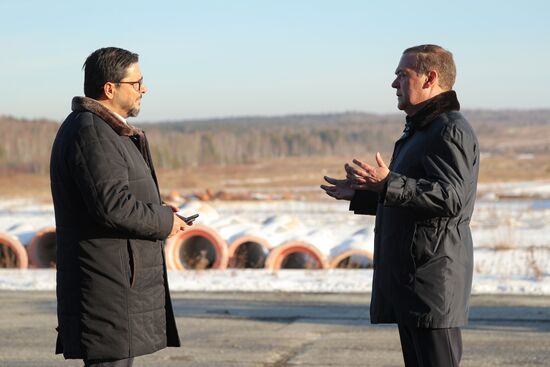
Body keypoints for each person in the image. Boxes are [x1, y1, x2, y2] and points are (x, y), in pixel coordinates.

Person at [321, 44, 479, 367]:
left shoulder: (448, 130)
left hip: (434, 285)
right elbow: (417, 197)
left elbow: (451, 197)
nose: (394, 84)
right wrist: (367, 194)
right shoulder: (422, 129)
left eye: (401, 75)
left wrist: (388, 183)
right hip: (414, 286)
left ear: (429, 78)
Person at [50, 47, 189, 367]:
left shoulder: (105, 131)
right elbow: (113, 206)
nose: (144, 88)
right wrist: (164, 221)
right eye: (136, 82)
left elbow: (111, 197)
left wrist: (162, 211)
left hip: (115, 282)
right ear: (109, 88)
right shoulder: (91, 132)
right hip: (106, 287)